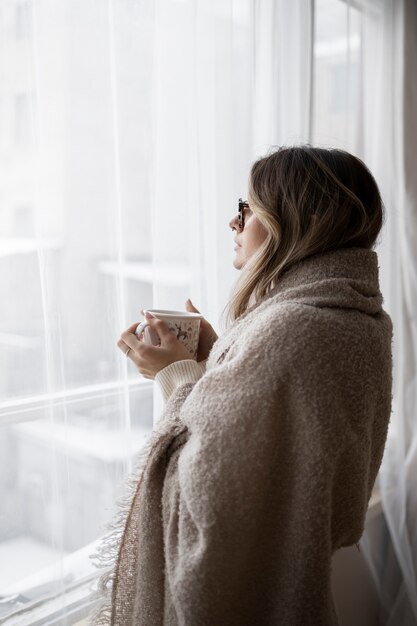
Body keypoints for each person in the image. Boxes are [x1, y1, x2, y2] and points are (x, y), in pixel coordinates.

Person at [91, 146, 393, 626]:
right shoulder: (360, 317)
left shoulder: (292, 329)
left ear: (297, 219)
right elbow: (280, 446)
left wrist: (175, 373)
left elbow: (211, 495)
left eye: (247, 209)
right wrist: (222, 354)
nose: (234, 224)